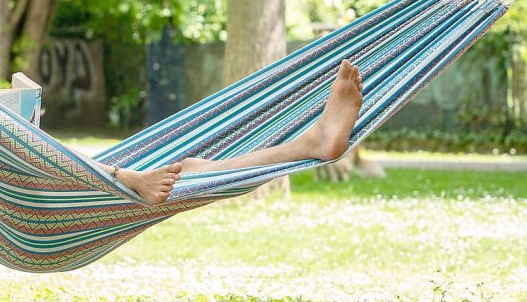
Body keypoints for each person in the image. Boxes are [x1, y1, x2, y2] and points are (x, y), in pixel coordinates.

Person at [103, 60, 365, 205]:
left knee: (190, 170)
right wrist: (119, 175)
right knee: (188, 171)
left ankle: (312, 144)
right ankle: (124, 176)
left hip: (76, 188)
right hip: (78, 189)